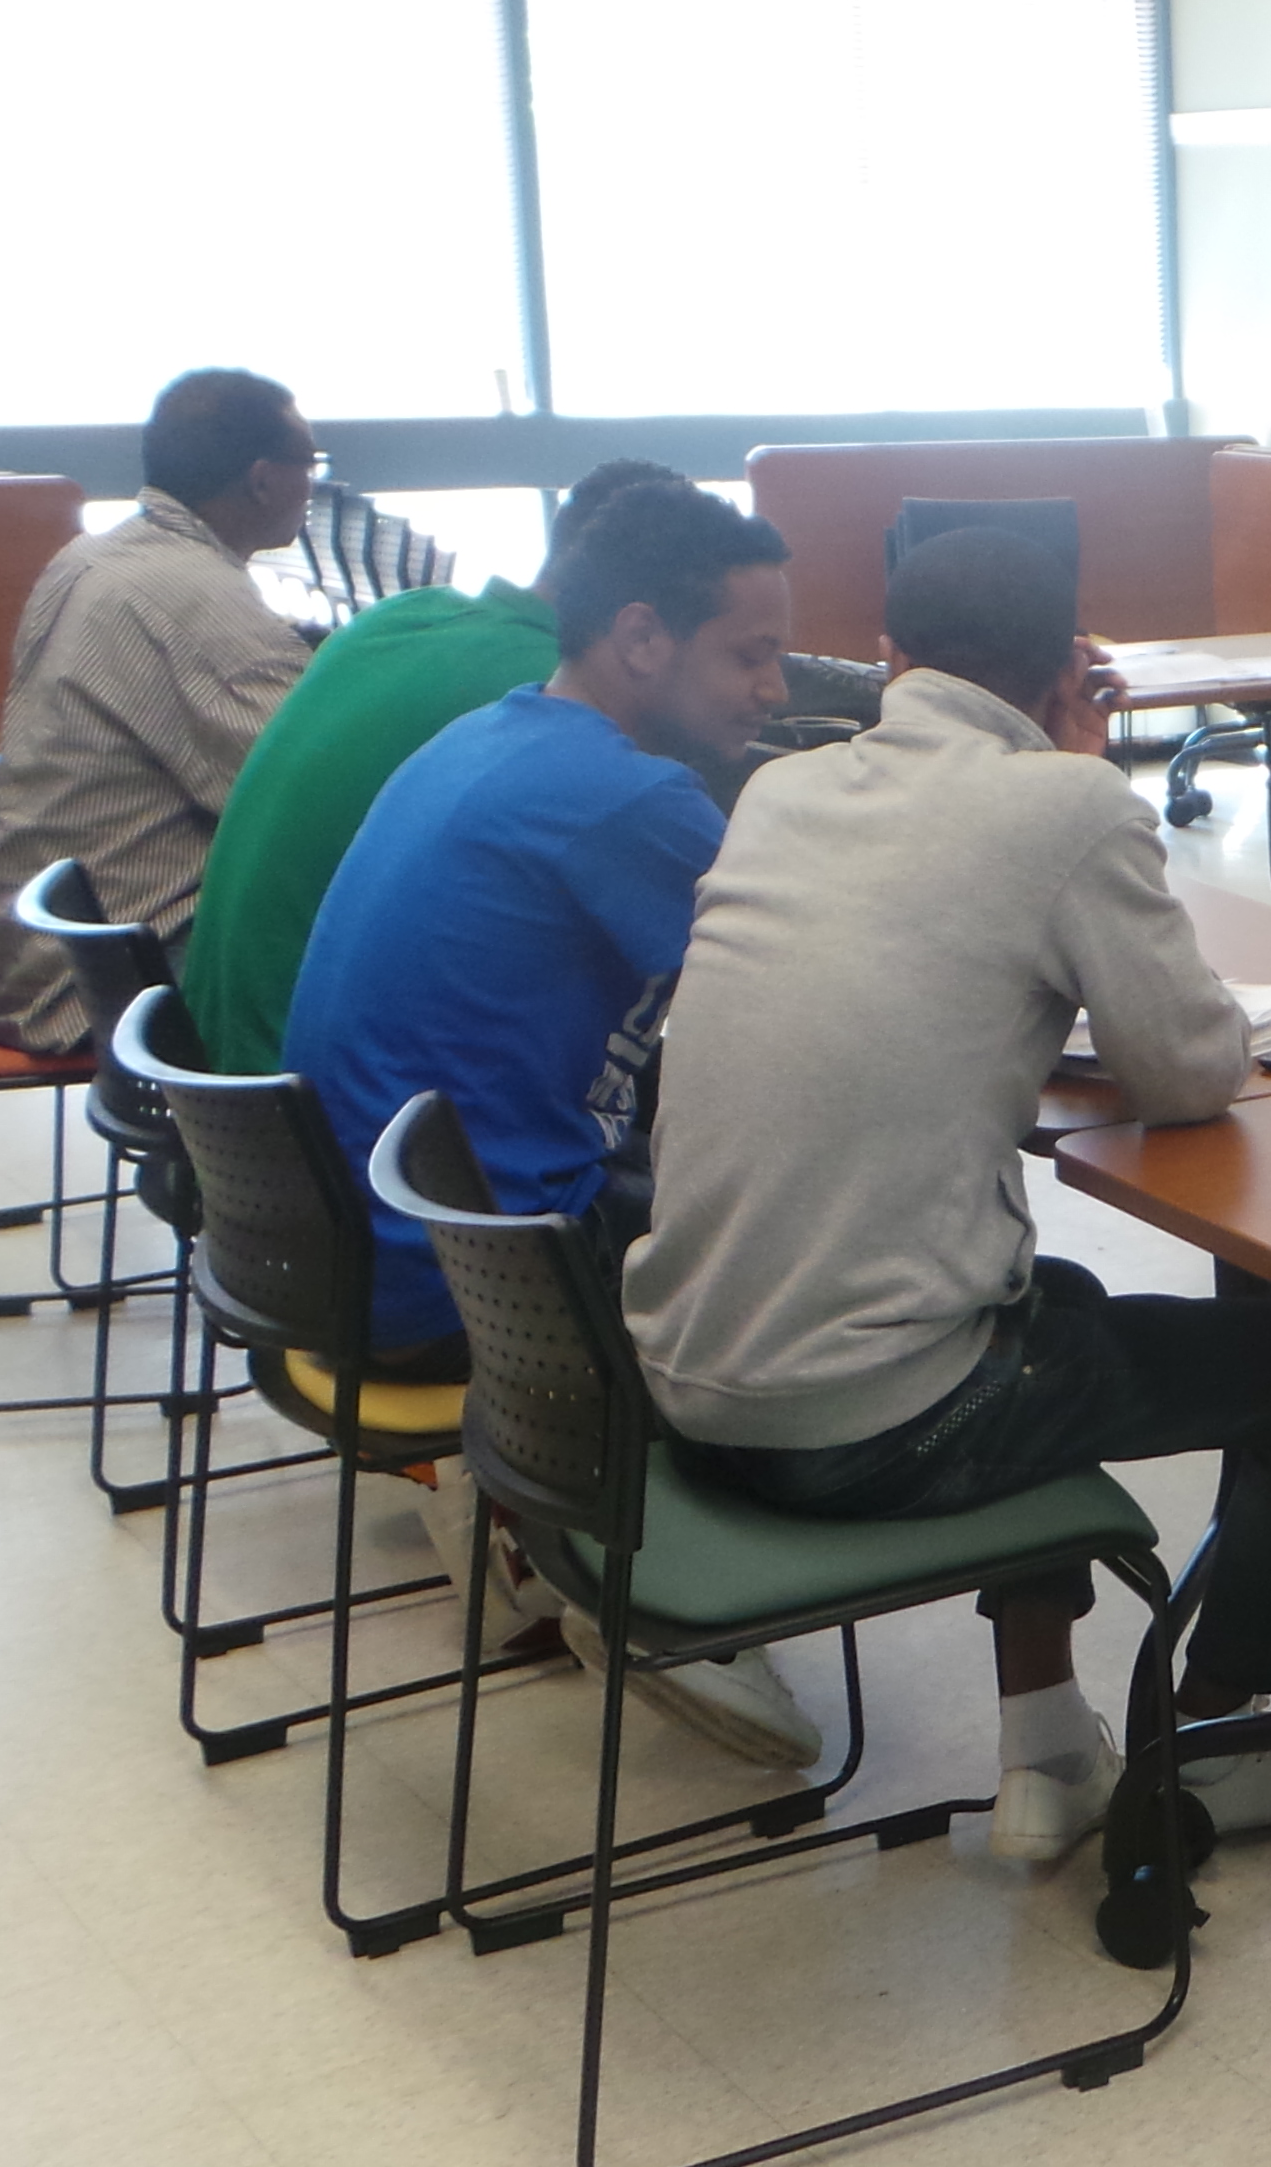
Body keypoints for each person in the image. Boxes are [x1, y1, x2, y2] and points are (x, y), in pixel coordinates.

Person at [627, 527, 1271, 1859]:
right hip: (867, 1423)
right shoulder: (1067, 807)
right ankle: (1207, 1748)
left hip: (688, 1379)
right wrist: (1084, 787)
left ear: (886, 657)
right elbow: (1190, 1071)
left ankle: (1049, 1754)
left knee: (1044, 1309)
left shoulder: (783, 791)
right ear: (1068, 668)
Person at [283, 481, 803, 1764]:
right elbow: (821, 1002)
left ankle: (520, 1508)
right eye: (751, 655)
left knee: (686, 1158)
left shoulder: (492, 736)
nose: (777, 689)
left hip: (342, 1243)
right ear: (640, 640)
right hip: (465, 1281)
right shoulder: (628, 802)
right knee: (790, 1247)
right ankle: (639, 1581)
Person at [183, 461, 691, 1075]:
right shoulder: (554, 695)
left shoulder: (399, 616)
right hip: (314, 1097)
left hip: (221, 1071)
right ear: (647, 620)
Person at [0, 369, 320, 1051]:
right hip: (103, 974)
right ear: (266, 479)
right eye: (311, 464)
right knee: (384, 974)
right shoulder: (195, 598)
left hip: (32, 947)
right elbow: (301, 793)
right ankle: (258, 1155)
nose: (314, 483)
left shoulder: (96, 554)